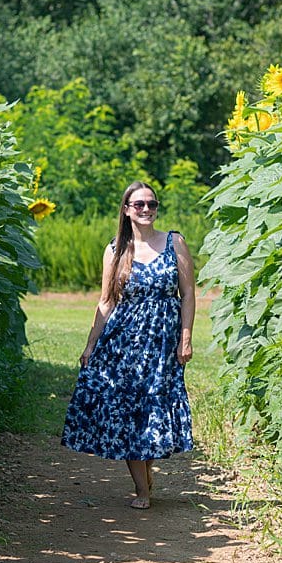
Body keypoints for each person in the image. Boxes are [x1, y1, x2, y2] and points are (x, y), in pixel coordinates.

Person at [61, 181, 195, 510]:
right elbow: (106, 302)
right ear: (126, 210)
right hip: (125, 345)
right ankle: (142, 490)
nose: (146, 209)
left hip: (163, 344)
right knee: (133, 414)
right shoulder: (116, 250)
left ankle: (145, 475)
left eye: (152, 203)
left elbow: (188, 293)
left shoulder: (174, 242)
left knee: (155, 410)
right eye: (139, 205)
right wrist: (91, 344)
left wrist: (186, 337)